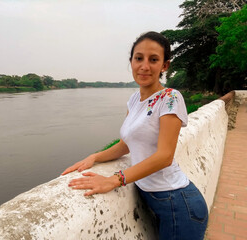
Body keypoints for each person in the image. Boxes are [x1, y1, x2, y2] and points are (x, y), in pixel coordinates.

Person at [61, 31, 208, 240]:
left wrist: (114, 180)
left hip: (178, 202)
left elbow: (164, 156)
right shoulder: (133, 101)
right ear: (131, 62)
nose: (144, 66)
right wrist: (93, 157)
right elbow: (125, 145)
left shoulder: (170, 98)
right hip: (156, 201)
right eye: (139, 58)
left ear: (165, 66)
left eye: (153, 59)